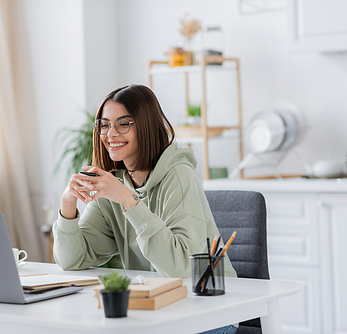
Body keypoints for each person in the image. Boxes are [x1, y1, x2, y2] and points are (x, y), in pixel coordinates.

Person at [53, 84, 238, 333]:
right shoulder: (113, 184)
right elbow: (72, 260)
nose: (111, 134)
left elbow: (180, 268)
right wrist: (68, 204)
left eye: (124, 123)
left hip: (208, 314)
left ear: (146, 126)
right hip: (154, 313)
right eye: (105, 124)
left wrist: (129, 201)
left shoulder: (178, 176)